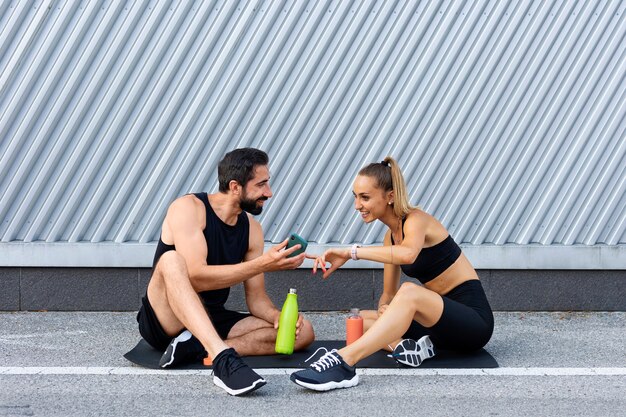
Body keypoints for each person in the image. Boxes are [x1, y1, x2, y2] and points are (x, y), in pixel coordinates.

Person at [290, 156, 493, 391]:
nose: (357, 205)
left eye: (365, 197)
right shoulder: (390, 237)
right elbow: (388, 293)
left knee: (409, 292)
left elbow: (408, 255)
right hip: (438, 326)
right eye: (355, 197)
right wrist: (385, 309)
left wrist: (351, 252)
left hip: (472, 322)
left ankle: (344, 362)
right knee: (360, 320)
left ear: (390, 197)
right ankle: (408, 348)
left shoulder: (417, 220)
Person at [137, 147, 315, 396]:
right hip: (165, 318)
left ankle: (199, 347)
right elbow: (196, 276)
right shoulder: (188, 208)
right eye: (262, 185)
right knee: (171, 260)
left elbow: (256, 299)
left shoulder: (252, 229)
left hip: (211, 316)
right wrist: (263, 264)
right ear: (235, 186)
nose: (269, 193)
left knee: (303, 332)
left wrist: (276, 317)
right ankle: (222, 359)